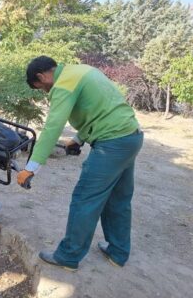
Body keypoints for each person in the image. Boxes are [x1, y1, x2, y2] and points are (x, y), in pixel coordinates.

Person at [17, 56, 143, 271]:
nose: (44, 92)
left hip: (111, 145)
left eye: (40, 88)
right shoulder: (82, 71)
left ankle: (68, 255)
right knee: (118, 199)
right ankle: (118, 251)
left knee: (85, 199)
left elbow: (52, 127)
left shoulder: (63, 85)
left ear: (42, 76)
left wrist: (31, 167)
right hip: (131, 137)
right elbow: (98, 109)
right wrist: (79, 138)